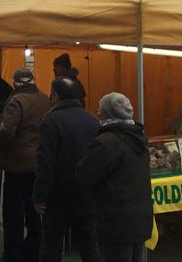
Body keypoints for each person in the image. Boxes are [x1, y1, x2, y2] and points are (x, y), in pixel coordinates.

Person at [76, 93, 152, 262]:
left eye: (100, 110)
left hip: (116, 218)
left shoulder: (106, 141)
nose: (97, 113)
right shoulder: (140, 138)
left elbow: (85, 174)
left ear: (107, 113)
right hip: (139, 214)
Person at [33, 77, 101, 262]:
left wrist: (39, 196)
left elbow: (45, 162)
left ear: (55, 96)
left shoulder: (51, 121)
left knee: (52, 245)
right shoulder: (93, 120)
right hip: (87, 192)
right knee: (89, 244)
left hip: (58, 195)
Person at [0, 68, 52, 262]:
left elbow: (7, 132)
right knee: (33, 209)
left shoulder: (16, 101)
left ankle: (12, 254)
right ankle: (33, 249)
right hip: (39, 163)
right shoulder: (45, 100)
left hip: (17, 164)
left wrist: (0, 148)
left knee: (13, 213)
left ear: (15, 83)